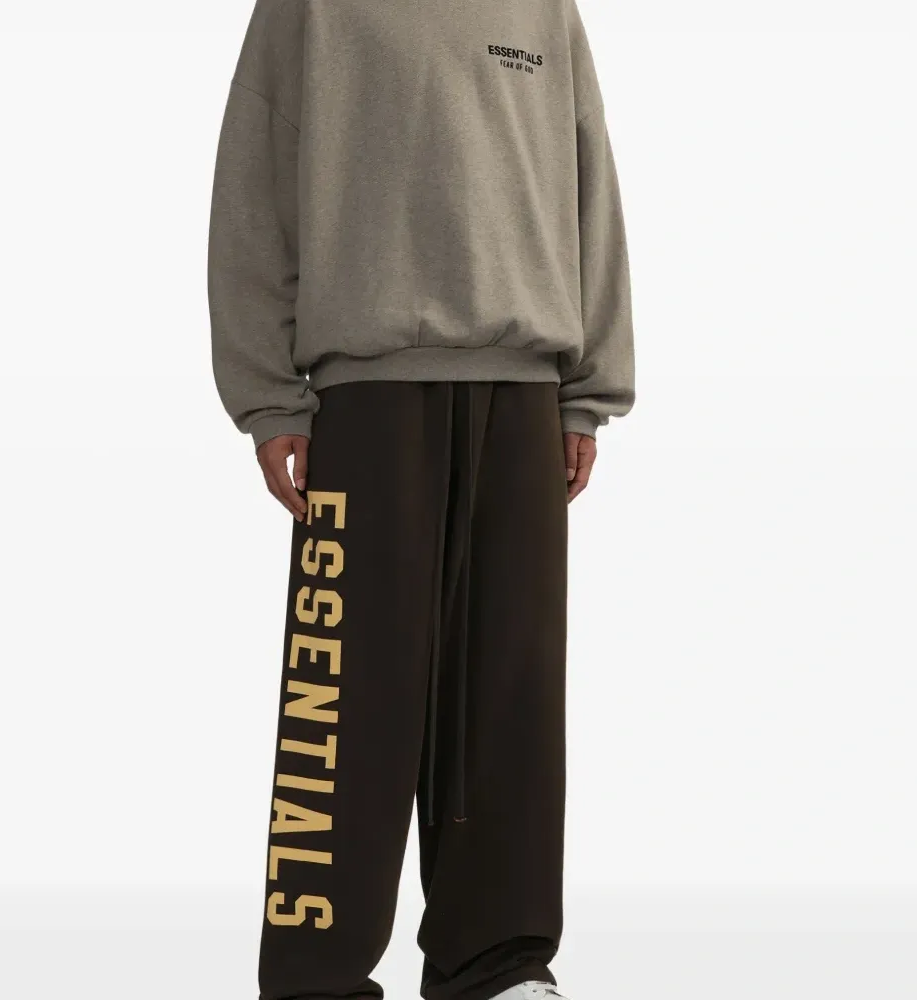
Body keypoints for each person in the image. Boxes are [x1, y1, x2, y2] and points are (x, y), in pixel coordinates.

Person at [206, 0, 635, 997]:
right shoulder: (308, 7)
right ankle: (314, 977)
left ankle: (498, 965)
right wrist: (268, 397)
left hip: (523, 390)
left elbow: (590, 184)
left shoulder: (541, 5)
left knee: (508, 695)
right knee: (343, 698)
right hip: (363, 391)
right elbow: (252, 186)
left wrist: (591, 386)